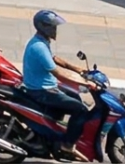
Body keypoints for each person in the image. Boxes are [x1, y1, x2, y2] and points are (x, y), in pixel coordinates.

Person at [17, 9, 95, 150]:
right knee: (81, 110)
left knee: (75, 97)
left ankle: (55, 130)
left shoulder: (42, 41)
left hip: (47, 86)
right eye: (52, 27)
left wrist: (78, 69)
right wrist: (85, 83)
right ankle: (67, 144)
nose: (55, 30)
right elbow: (58, 74)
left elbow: (55, 59)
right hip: (41, 91)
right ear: (43, 27)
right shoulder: (39, 47)